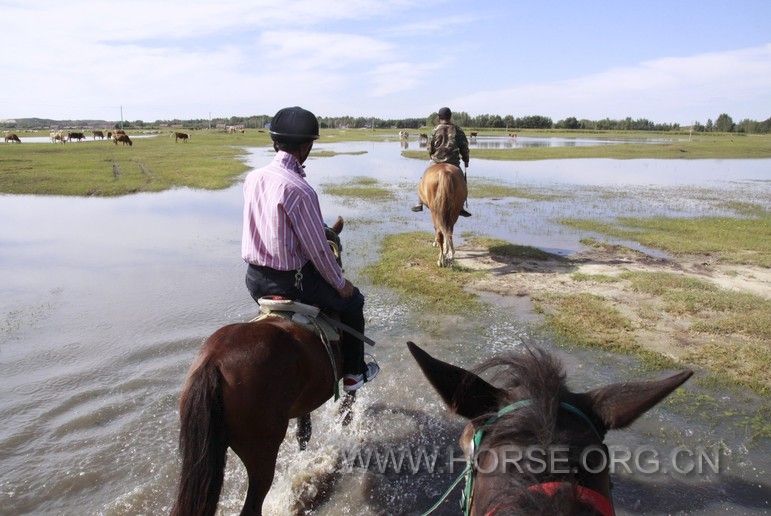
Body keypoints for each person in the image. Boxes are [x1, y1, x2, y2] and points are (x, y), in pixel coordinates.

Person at [241, 106, 380, 392]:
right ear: (306, 147)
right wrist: (341, 285)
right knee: (355, 302)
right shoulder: (300, 190)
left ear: (275, 142)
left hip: (254, 280)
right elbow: (319, 252)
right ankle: (355, 373)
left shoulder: (253, 178)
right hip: (293, 284)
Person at [412, 106, 472, 217]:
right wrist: (466, 159)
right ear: (450, 117)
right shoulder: (458, 130)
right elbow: (464, 147)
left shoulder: (435, 130)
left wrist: (433, 156)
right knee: (462, 182)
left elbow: (429, 148)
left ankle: (419, 203)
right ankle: (461, 207)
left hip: (436, 162)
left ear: (440, 117)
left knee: (423, 178)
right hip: (453, 163)